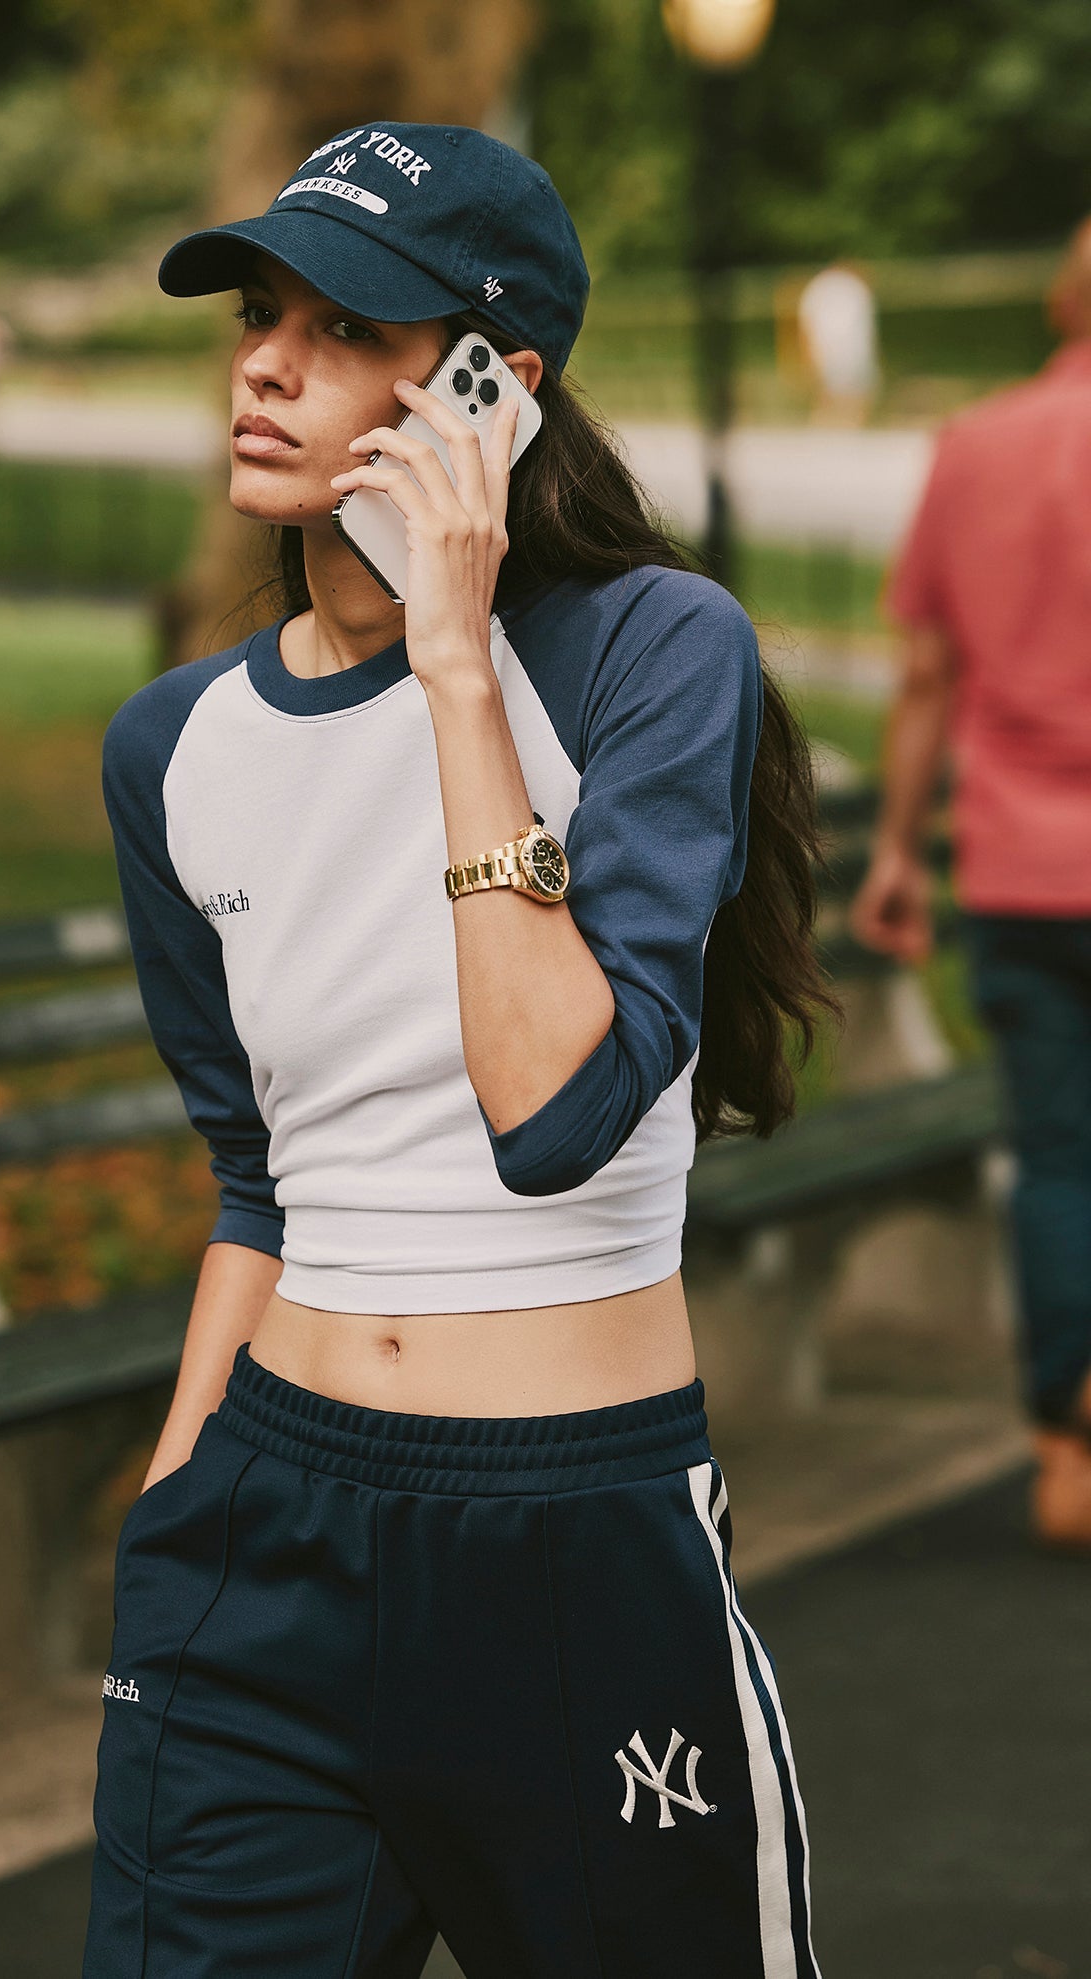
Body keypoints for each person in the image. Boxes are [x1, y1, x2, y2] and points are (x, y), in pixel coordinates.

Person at [84, 121, 830, 1976]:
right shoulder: (170, 750)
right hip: (260, 1543)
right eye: (263, 310)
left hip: (569, 1544)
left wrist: (452, 658)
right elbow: (254, 1173)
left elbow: (560, 1106)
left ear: (495, 385)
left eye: (345, 324)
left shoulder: (659, 654)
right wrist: (177, 1512)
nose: (264, 359)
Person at [851, 217, 1091, 1554]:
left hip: (1021, 864)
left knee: (1057, 1157)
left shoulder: (978, 446)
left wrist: (897, 846)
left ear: (1061, 301)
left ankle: (1066, 1442)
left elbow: (930, 672)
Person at [795, 263, 880, 426]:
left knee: (838, 397)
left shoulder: (820, 288)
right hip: (845, 352)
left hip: (833, 351)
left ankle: (832, 428)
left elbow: (806, 324)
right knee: (846, 398)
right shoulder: (850, 287)